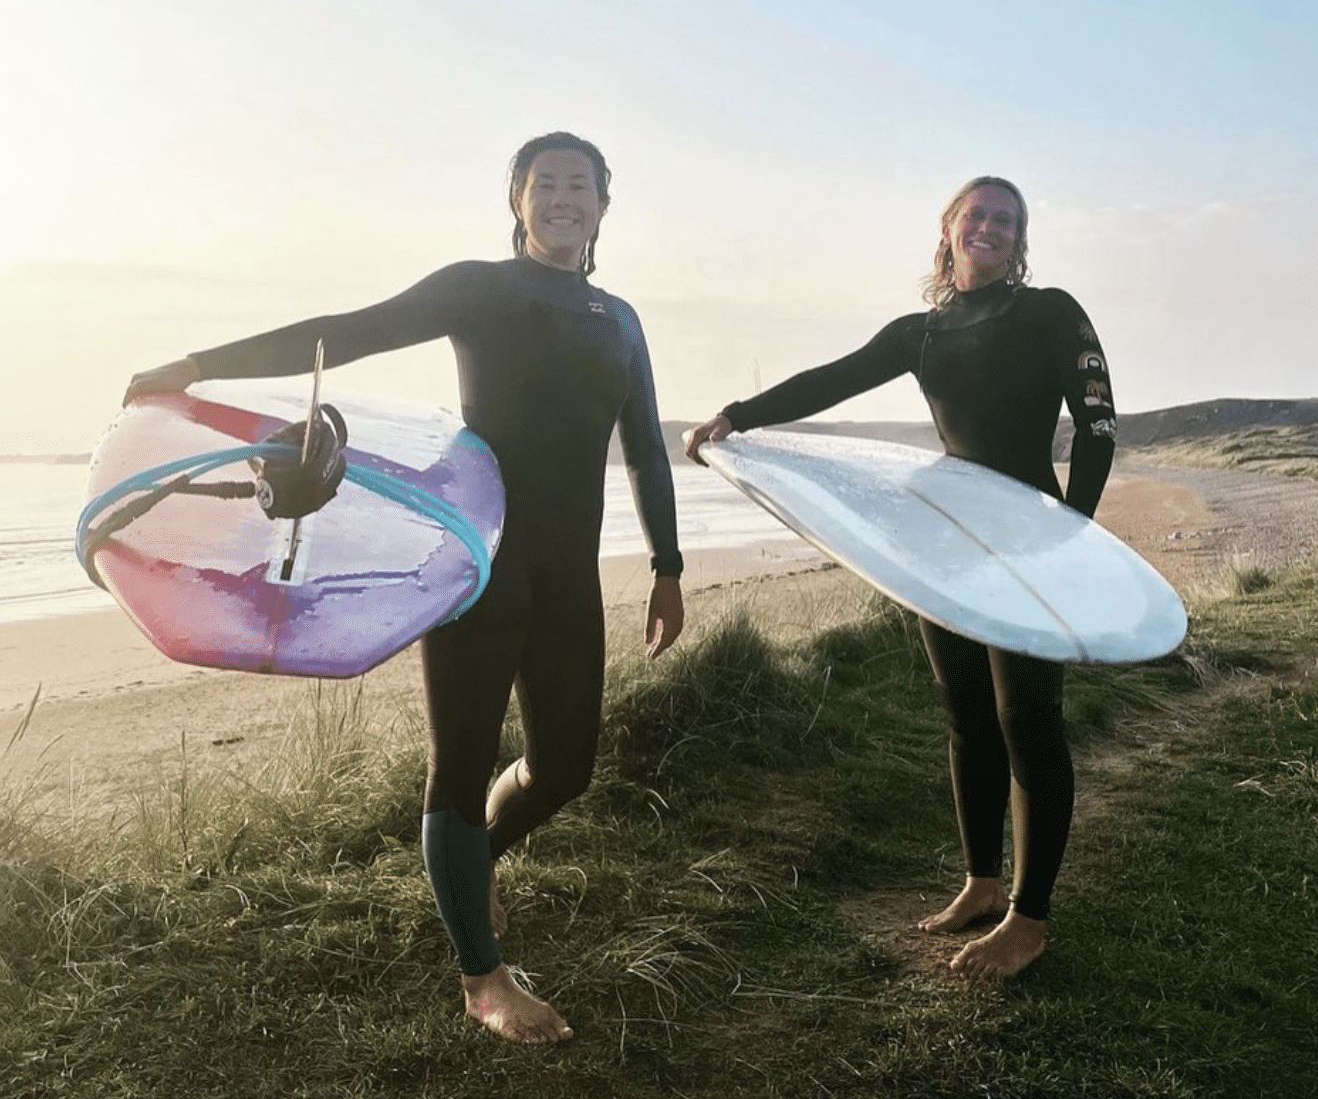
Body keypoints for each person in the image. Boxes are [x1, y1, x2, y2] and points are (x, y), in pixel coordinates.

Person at [124, 131, 686, 1042]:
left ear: (603, 205)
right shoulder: (479, 288)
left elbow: (649, 449)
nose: (562, 198)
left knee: (565, 767)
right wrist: (198, 365)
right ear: (517, 201)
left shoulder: (619, 321)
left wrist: (668, 566)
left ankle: (470, 866)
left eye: (579, 185)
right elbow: (346, 333)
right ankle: (483, 981)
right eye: (544, 184)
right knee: (460, 768)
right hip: (473, 567)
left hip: (568, 575)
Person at [684, 176, 1115, 981]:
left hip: (1027, 541)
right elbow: (832, 380)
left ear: (1019, 241)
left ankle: (1030, 920)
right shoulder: (921, 332)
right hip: (947, 545)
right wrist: (736, 417)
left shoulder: (1052, 311)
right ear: (947, 230)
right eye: (975, 216)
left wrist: (1072, 537)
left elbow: (1097, 428)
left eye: (1005, 221)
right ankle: (983, 883)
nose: (989, 228)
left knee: (1028, 719)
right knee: (967, 719)